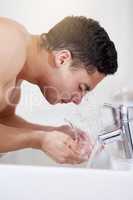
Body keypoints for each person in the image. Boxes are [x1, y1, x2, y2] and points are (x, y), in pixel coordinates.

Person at [0, 16, 118, 164]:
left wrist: (50, 133)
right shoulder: (7, 43)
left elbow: (4, 122)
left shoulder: (18, 66)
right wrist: (38, 140)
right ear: (62, 59)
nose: (78, 100)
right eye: (81, 88)